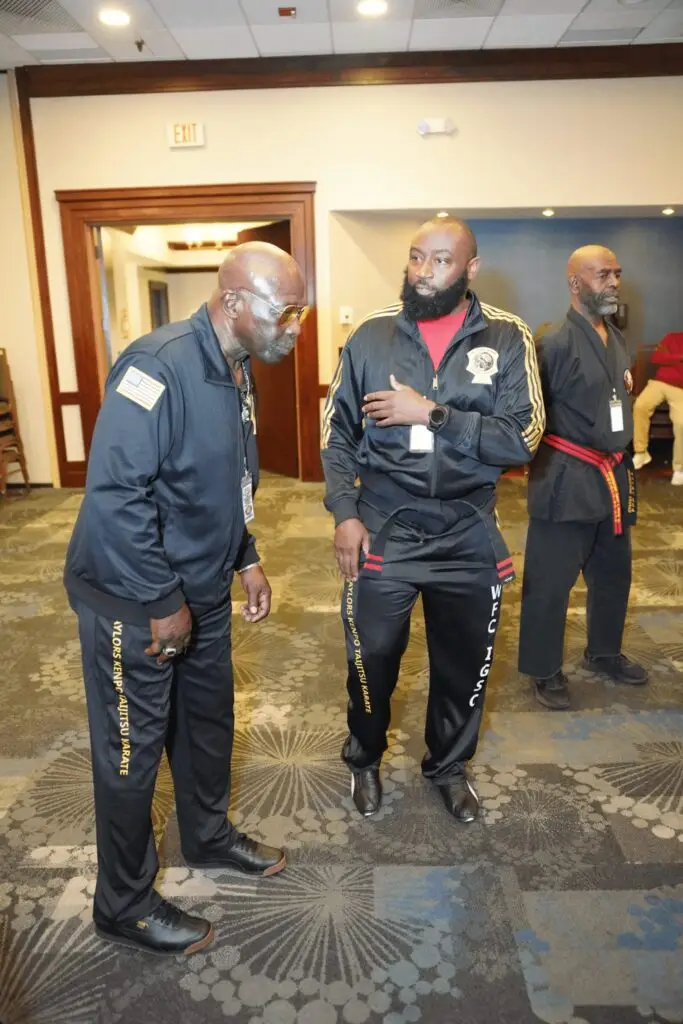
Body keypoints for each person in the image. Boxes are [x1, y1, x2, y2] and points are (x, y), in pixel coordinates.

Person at [64, 242, 307, 956]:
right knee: (132, 753)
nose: (295, 327)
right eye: (285, 311)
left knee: (206, 724)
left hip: (200, 588)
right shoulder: (156, 366)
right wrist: (162, 599)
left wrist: (245, 557)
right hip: (134, 600)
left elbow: (223, 480)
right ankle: (123, 903)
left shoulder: (236, 365)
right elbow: (117, 497)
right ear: (234, 302)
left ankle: (206, 835)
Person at [321, 217, 544, 822]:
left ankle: (447, 766)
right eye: (417, 257)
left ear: (471, 268)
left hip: (467, 529)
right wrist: (344, 512)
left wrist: (432, 414)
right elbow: (337, 435)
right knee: (371, 658)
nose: (423, 272)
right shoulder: (371, 335)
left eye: (441, 261)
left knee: (464, 666)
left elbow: (522, 437)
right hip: (385, 526)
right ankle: (364, 757)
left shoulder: (506, 336)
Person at [518, 245, 648, 710]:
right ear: (575, 283)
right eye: (602, 275)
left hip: (612, 476)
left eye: (617, 273)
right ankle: (543, 668)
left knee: (613, 572)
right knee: (550, 582)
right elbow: (528, 412)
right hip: (566, 478)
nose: (614, 282)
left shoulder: (617, 339)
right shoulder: (553, 343)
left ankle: (604, 651)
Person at [632, 331, 683, 486]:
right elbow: (656, 357)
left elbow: (664, 358)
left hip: (680, 389)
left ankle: (679, 468)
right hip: (659, 383)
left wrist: (670, 358)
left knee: (681, 422)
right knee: (640, 406)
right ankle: (641, 452)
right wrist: (679, 358)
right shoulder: (672, 337)